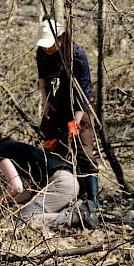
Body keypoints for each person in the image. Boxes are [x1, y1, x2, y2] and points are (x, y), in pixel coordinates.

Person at [34, 19, 101, 212]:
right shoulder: (41, 53)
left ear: (61, 39)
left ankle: (93, 203)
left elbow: (86, 89)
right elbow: (43, 80)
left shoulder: (76, 55)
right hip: (57, 105)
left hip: (80, 107)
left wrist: (77, 120)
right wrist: (46, 106)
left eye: (51, 45)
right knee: (55, 150)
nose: (47, 49)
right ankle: (64, 198)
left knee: (84, 155)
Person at [0, 129, 97, 228]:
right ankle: (75, 210)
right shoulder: (14, 149)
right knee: (27, 214)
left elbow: (16, 187)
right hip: (70, 182)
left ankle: (76, 216)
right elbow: (30, 193)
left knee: (24, 218)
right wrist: (2, 203)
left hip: (60, 183)